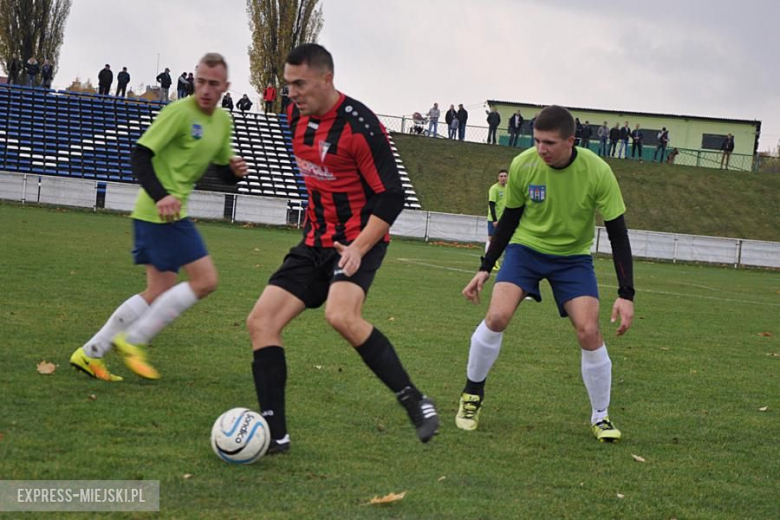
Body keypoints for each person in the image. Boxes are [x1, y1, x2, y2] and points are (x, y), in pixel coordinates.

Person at [246, 43, 439, 455]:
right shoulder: (294, 117)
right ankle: (274, 436)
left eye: (299, 84)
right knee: (261, 322)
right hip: (314, 241)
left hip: (358, 239)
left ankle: (414, 399)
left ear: (327, 79)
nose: (292, 93)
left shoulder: (360, 126)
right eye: (287, 85)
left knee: (341, 315)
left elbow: (391, 197)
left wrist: (358, 247)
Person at [455, 105, 634, 444]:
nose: (541, 149)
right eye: (537, 140)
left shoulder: (598, 172)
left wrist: (626, 293)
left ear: (571, 140)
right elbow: (508, 220)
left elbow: (618, 233)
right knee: (496, 317)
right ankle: (471, 396)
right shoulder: (523, 166)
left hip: (573, 259)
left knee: (589, 330)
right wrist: (484, 266)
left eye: (549, 142)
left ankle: (601, 416)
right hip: (525, 251)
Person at [70, 52, 248, 382]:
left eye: (213, 84)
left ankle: (90, 353)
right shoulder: (178, 113)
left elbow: (222, 171)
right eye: (201, 82)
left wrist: (234, 172)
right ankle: (134, 340)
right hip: (158, 212)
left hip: (171, 212)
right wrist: (161, 195)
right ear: (193, 80)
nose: (206, 89)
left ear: (226, 87)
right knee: (205, 280)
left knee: (158, 289)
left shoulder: (223, 122)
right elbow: (140, 155)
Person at [486, 169, 508, 255]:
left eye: (505, 176)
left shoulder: (508, 188)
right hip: (494, 219)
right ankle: (487, 259)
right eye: (501, 176)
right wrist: (494, 220)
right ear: (498, 177)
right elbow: (491, 205)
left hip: (504, 219)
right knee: (491, 238)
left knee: (505, 239)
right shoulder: (494, 188)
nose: (503, 178)